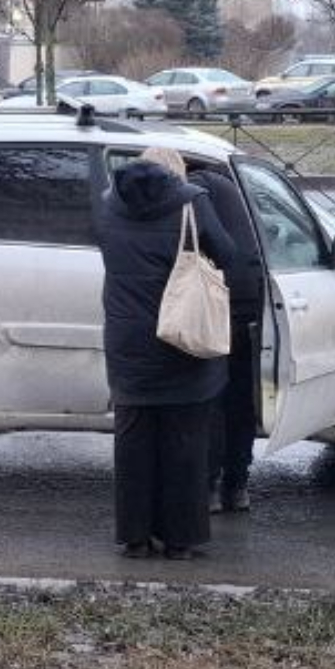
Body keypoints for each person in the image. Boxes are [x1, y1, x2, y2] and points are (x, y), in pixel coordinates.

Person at [95, 146, 238, 561]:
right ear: (175, 173)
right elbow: (227, 254)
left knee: (133, 442)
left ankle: (135, 537)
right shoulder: (192, 203)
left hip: (126, 344)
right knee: (185, 443)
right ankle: (180, 540)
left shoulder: (107, 206)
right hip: (182, 339)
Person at [188, 162, 264, 515]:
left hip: (218, 301)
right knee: (240, 400)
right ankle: (238, 484)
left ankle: (211, 486)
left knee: (213, 399)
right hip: (249, 299)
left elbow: (215, 243)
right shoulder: (234, 190)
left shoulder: (196, 186)